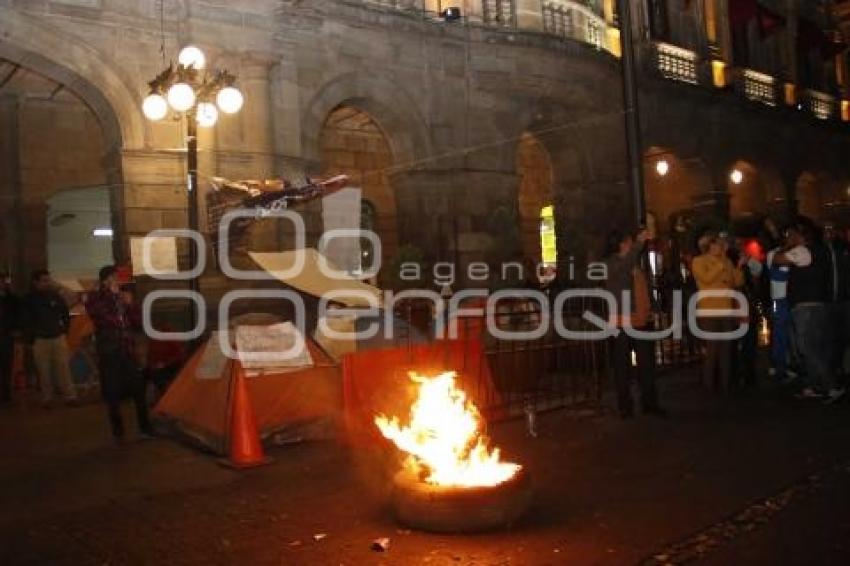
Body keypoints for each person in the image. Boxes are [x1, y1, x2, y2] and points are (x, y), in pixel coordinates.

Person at [773, 224, 845, 403]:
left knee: (807, 348)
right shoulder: (821, 251)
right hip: (819, 305)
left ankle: (831, 386)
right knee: (816, 347)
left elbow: (778, 259)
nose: (789, 237)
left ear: (800, 236)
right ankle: (816, 386)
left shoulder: (803, 251)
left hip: (806, 307)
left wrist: (785, 248)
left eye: (792, 234)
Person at [602, 228, 664, 419]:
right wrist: (639, 243)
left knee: (647, 364)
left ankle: (649, 403)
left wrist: (652, 307)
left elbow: (644, 287)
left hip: (640, 320)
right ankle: (625, 406)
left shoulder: (635, 265)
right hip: (621, 322)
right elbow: (625, 264)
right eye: (629, 241)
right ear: (621, 244)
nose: (632, 245)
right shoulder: (612, 264)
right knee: (622, 366)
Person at [86, 265, 153, 441]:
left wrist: (130, 305)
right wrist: (115, 298)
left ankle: (145, 428)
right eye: (115, 277)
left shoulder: (123, 297)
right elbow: (102, 316)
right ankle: (118, 432)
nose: (118, 280)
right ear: (106, 279)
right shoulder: (96, 297)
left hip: (126, 348)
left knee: (138, 388)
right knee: (112, 391)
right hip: (109, 349)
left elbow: (137, 322)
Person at [691, 232, 745, 394]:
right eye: (717, 244)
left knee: (726, 349)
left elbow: (737, 281)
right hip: (709, 311)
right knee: (712, 349)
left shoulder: (726, 261)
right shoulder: (699, 261)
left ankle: (726, 384)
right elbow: (706, 278)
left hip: (726, 310)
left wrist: (738, 266)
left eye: (721, 245)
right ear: (709, 246)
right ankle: (709, 386)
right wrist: (720, 264)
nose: (720, 247)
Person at [22, 270, 77, 407]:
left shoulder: (55, 296)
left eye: (49, 280)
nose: (47, 283)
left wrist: (64, 330)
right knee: (43, 370)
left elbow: (67, 309)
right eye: (44, 280)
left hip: (58, 337)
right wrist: (30, 339)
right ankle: (47, 398)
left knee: (63, 368)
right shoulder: (28, 299)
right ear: (35, 282)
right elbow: (26, 320)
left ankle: (70, 396)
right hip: (40, 339)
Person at [766, 235, 792, 383]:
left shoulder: (793, 253)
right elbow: (776, 275)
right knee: (778, 334)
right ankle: (778, 367)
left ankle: (785, 366)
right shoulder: (773, 254)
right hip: (777, 300)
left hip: (789, 300)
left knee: (788, 335)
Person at [0, 274, 18, 404]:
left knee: (6, 365)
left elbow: (17, 315)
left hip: (6, 336)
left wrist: (15, 330)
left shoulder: (12, 299)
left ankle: (6, 394)